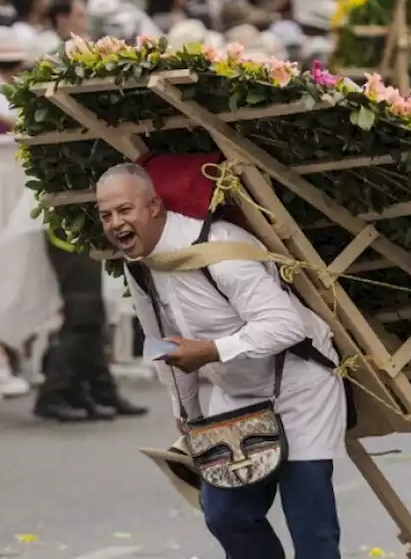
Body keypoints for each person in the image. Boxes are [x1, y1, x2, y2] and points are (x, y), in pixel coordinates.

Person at [96, 162, 344, 559]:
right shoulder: (138, 268)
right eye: (106, 215)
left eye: (125, 210)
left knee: (312, 531)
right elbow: (161, 345)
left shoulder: (219, 248)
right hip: (236, 397)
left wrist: (210, 351)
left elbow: (286, 325)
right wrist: (189, 415)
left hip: (301, 390)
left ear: (154, 206)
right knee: (226, 514)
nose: (115, 223)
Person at [34, 230, 147, 422]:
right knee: (84, 311)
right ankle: (56, 390)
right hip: (68, 226)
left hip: (78, 227)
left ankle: (94, 389)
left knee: (92, 314)